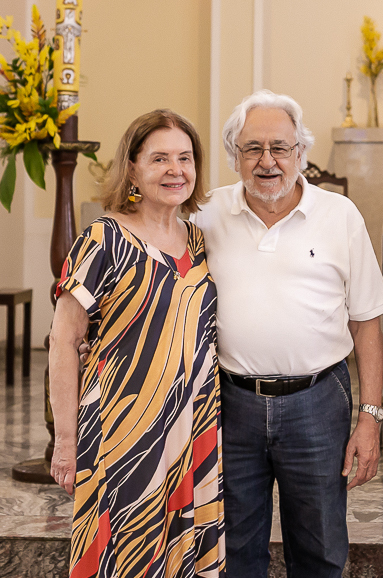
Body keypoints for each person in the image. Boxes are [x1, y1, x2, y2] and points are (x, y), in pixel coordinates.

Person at [193, 90, 383, 578]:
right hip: (230, 401)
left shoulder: (339, 215)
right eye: (252, 148)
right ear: (234, 156)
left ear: (301, 152)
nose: (267, 161)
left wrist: (370, 419)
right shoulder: (205, 214)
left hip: (317, 401)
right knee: (235, 549)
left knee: (320, 550)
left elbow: (367, 322)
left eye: (280, 147)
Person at [49, 109, 224, 577]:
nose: (176, 170)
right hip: (123, 429)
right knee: (124, 556)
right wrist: (65, 442)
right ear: (131, 168)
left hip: (192, 428)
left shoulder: (199, 240)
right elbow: (64, 340)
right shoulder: (104, 237)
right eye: (160, 158)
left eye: (185, 158)